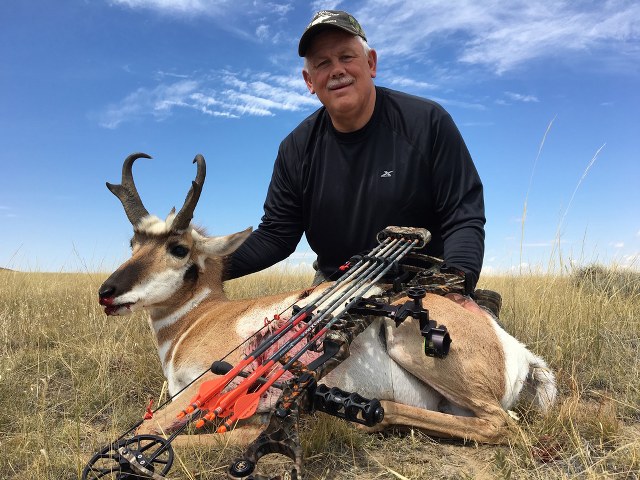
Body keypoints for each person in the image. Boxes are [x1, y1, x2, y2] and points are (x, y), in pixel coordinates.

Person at [227, 10, 486, 295]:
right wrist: (199, 267)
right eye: (323, 63)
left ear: (371, 63)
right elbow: (276, 236)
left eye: (346, 57)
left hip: (424, 283)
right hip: (336, 285)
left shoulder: (427, 122)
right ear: (309, 81)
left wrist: (456, 287)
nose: (337, 70)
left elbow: (463, 216)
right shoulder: (295, 148)